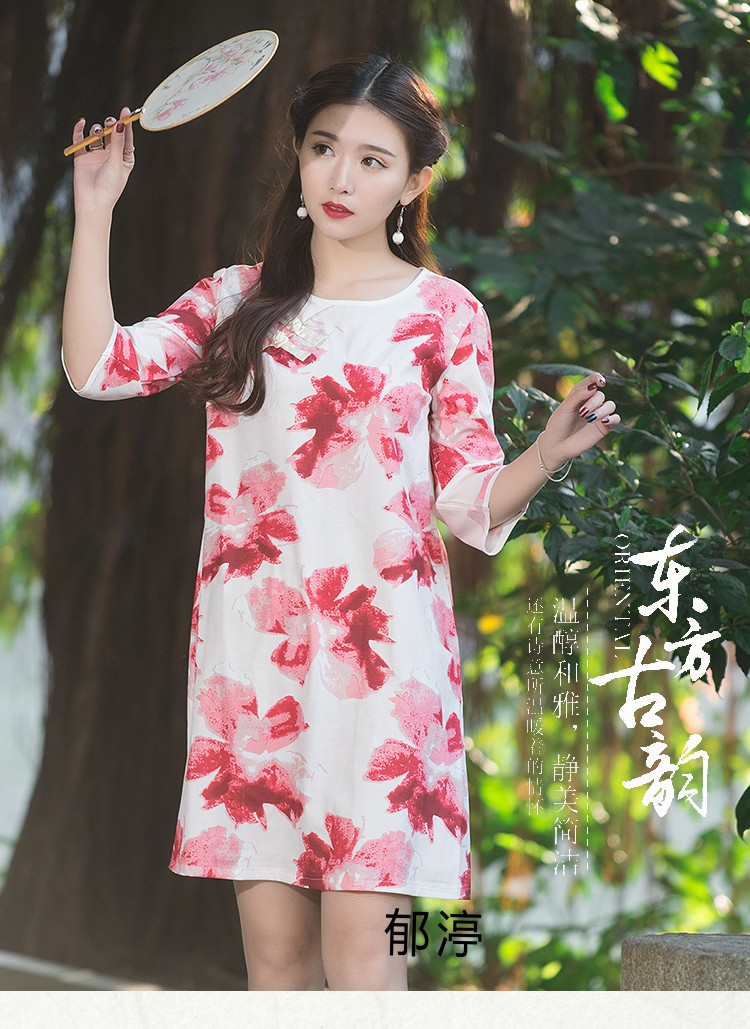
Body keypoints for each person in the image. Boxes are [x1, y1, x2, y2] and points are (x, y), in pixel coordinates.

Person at [62, 53, 620, 991]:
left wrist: (547, 454)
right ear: (299, 155)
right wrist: (95, 211)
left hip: (384, 670)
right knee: (276, 966)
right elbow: (97, 368)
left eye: (372, 159)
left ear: (413, 181)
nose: (341, 177)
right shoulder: (236, 301)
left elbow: (467, 500)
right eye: (324, 148)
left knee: (365, 964)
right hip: (255, 666)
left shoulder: (445, 316)